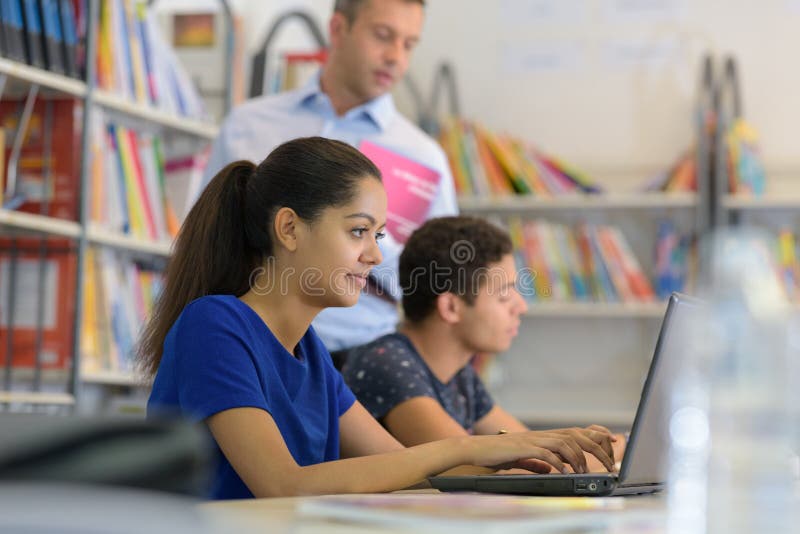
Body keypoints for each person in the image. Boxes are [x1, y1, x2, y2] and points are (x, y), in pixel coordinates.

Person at [140, 137, 616, 500]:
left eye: (379, 234)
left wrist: (536, 450)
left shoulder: (311, 353)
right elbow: (282, 484)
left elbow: (401, 467)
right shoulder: (215, 325)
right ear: (288, 228)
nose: (373, 254)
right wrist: (469, 447)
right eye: (358, 231)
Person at [202, 0, 458, 365]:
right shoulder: (249, 125)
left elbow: (438, 290)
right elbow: (204, 241)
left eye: (409, 44)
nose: (395, 57)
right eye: (383, 36)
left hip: (364, 361)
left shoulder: (424, 156)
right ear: (338, 29)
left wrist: (371, 243)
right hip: (249, 344)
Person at [342, 216, 625, 472]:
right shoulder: (387, 363)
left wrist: (609, 446)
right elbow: (473, 469)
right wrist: (610, 451)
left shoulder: (459, 374)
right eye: (504, 295)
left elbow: (531, 452)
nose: (521, 307)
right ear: (451, 307)